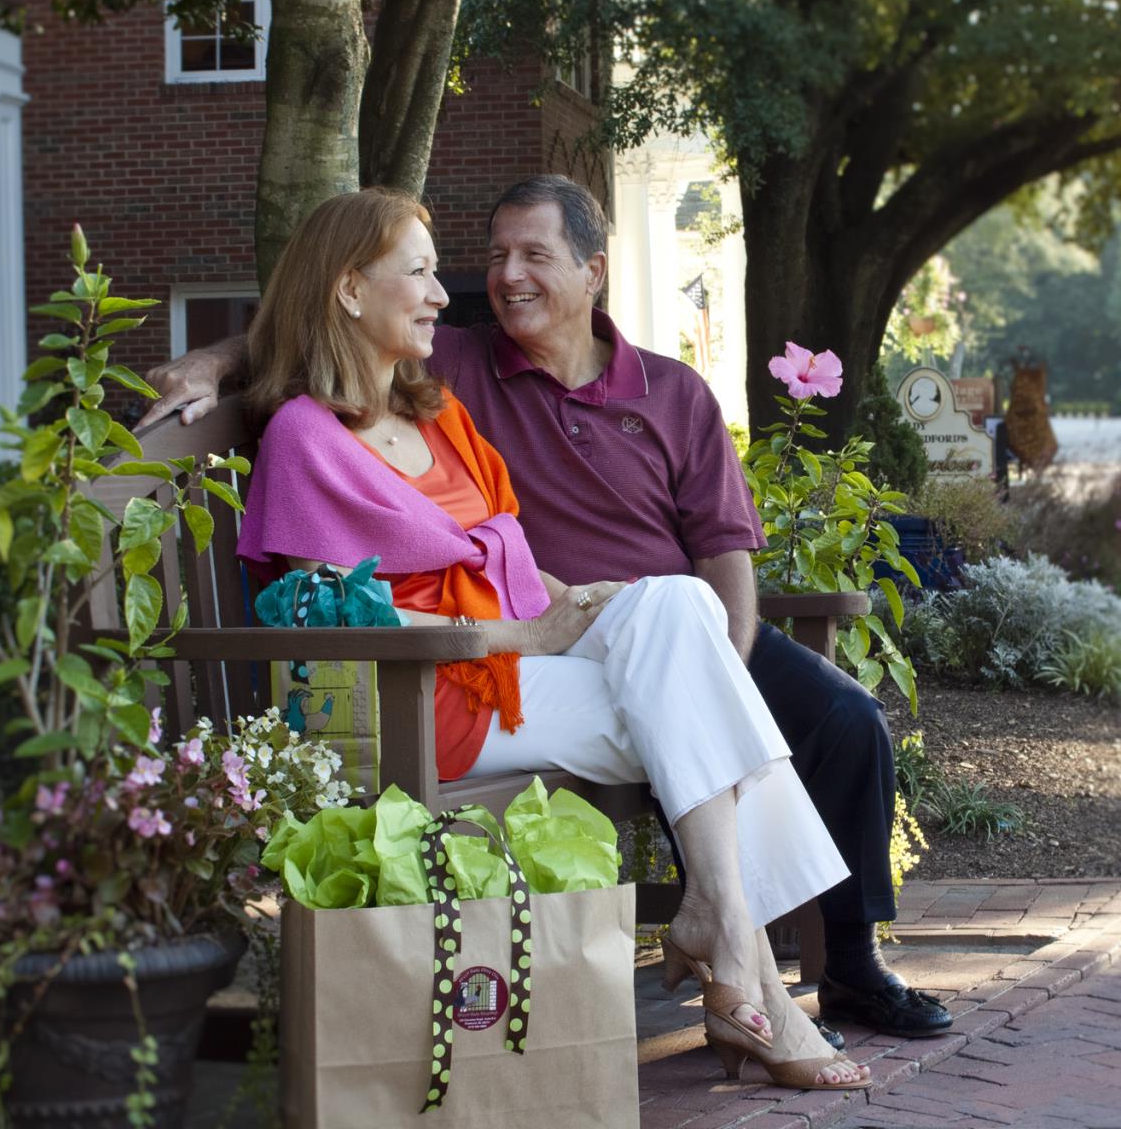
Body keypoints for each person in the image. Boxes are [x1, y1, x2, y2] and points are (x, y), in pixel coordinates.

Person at [142, 176, 952, 1040]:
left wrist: (705, 650)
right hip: (487, 663)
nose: (489, 280)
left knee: (781, 682)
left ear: (593, 269)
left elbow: (716, 550)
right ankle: (747, 970)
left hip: (632, 632)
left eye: (533, 255)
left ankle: (793, 947)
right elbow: (308, 337)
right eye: (487, 257)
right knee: (691, 709)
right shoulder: (437, 372)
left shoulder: (656, 392)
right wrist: (210, 362)